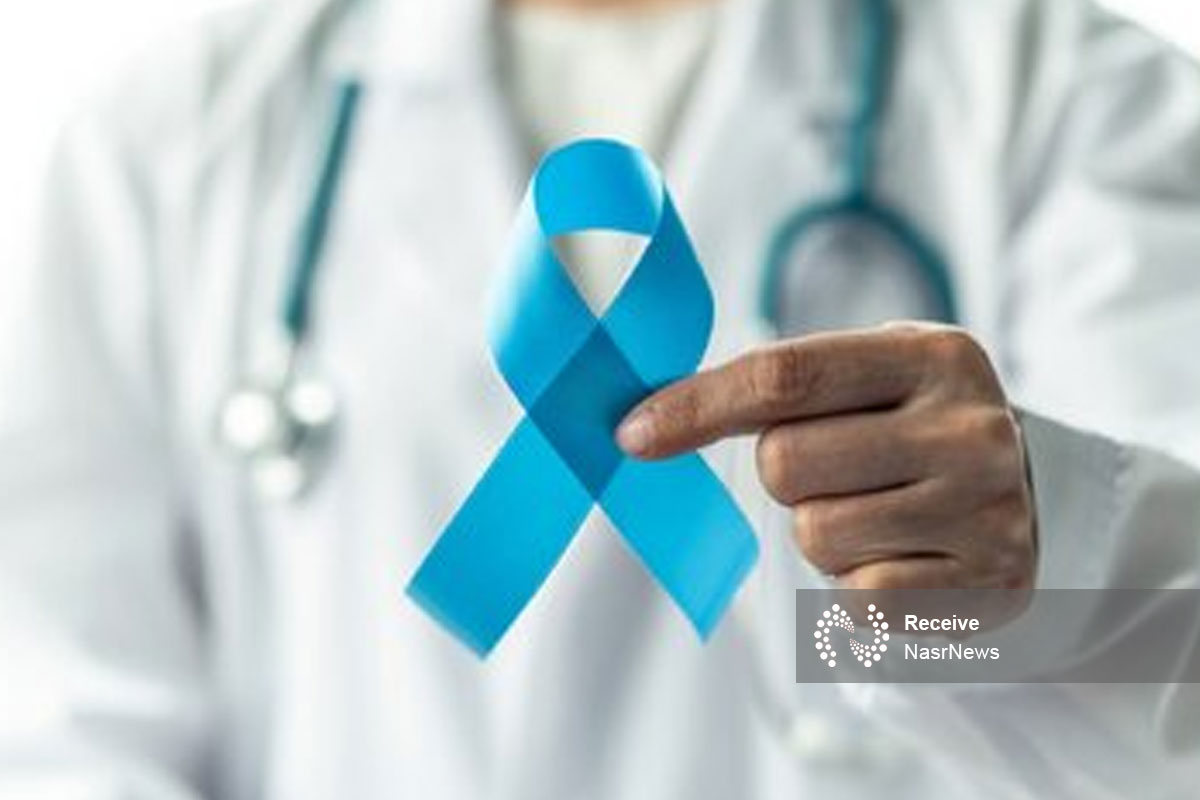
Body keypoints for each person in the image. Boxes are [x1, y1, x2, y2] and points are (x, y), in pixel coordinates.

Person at [2, 0, 1200, 796]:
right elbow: (67, 723)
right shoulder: (166, 145)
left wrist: (1036, 555)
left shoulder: (1078, 103)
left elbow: (1172, 678)